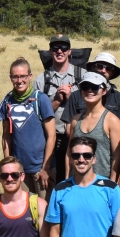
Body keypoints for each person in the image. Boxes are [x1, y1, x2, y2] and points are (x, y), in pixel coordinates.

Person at [0, 57, 56, 194]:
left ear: (30, 76)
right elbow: (6, 136)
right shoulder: (7, 101)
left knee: (43, 211)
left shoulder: (41, 99)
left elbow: (52, 135)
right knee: (23, 211)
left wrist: (46, 168)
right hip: (19, 170)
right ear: (10, 77)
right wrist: (9, 166)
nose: (19, 81)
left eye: (23, 76)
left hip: (40, 168)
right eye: (15, 77)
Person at [34, 35, 80, 184]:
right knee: (52, 182)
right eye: (55, 47)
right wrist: (57, 100)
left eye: (64, 47)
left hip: (78, 139)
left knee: (76, 182)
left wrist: (72, 97)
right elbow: (36, 116)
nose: (59, 51)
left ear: (69, 51)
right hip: (51, 140)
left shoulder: (83, 76)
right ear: (50, 51)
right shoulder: (41, 80)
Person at [64, 72, 120, 181]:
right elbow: (69, 153)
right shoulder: (75, 120)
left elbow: (117, 158)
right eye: (85, 87)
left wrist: (112, 185)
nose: (89, 90)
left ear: (104, 91)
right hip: (76, 183)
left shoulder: (112, 121)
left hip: (101, 184)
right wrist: (67, 180)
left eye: (94, 87)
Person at [83, 52, 120, 129]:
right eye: (100, 66)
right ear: (93, 67)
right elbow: (70, 129)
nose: (103, 70)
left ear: (112, 72)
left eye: (108, 68)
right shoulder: (77, 95)